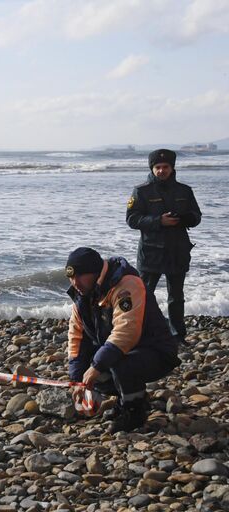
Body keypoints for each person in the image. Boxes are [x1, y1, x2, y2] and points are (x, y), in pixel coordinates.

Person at [65, 247, 181, 433]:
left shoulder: (126, 284)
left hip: (156, 351)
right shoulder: (83, 295)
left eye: (79, 276)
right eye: (70, 278)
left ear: (95, 273)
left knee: (116, 365)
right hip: (124, 351)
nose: (74, 282)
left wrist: (96, 367)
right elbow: (76, 336)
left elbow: (126, 332)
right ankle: (129, 398)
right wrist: (77, 379)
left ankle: (134, 410)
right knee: (93, 369)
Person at [126, 149, 201, 337]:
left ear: (172, 168)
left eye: (165, 167)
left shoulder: (184, 190)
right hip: (151, 252)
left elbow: (196, 216)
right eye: (157, 167)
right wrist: (159, 221)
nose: (161, 171)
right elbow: (132, 219)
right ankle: (138, 334)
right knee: (143, 295)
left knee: (176, 297)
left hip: (177, 250)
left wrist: (185, 219)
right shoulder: (141, 191)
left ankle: (178, 335)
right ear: (152, 168)